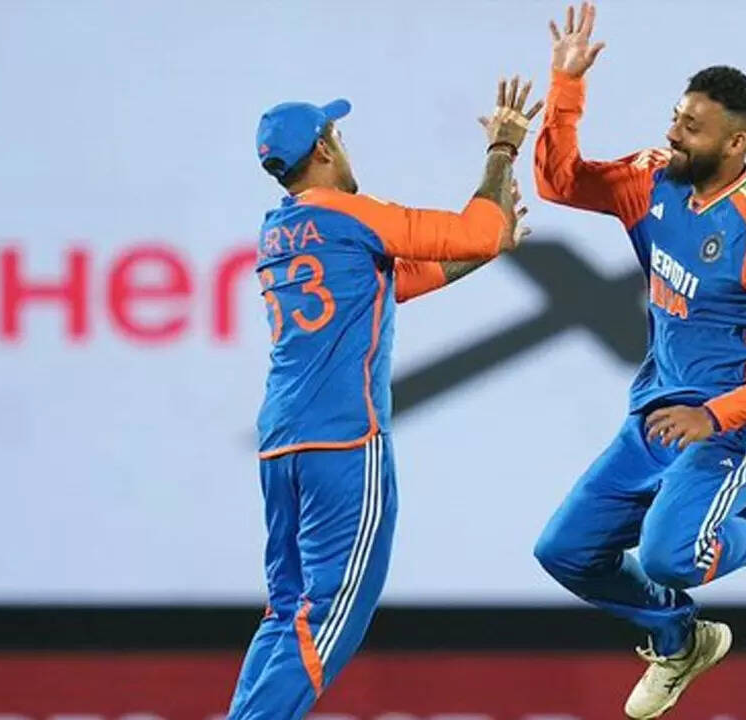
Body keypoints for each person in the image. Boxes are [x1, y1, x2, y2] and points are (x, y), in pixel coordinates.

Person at [531, 4, 746, 718]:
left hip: (736, 430)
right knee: (565, 552)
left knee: (671, 557)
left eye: (692, 127)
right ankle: (680, 640)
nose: (673, 133)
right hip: (658, 415)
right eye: (676, 117)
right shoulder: (655, 180)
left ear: (736, 143)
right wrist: (566, 88)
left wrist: (715, 416)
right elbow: (560, 182)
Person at [229, 77, 541, 720]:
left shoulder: (278, 230)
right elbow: (476, 230)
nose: (345, 147)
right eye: (337, 135)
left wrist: (490, 244)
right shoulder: (351, 214)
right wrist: (503, 149)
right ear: (323, 150)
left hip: (282, 444)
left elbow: (401, 280)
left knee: (286, 610)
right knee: (331, 615)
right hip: (345, 440)